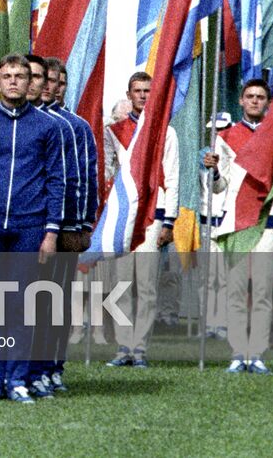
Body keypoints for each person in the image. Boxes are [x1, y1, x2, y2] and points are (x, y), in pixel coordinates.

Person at [0, 53, 64, 403]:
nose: (14, 81)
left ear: (31, 81)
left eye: (20, 75)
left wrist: (50, 232)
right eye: (7, 76)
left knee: (21, 305)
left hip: (30, 226)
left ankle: (18, 379)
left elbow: (56, 180)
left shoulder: (47, 127)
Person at [203, 78, 273, 375]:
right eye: (250, 96)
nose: (255, 101)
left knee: (263, 290)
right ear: (241, 101)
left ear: (268, 102)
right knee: (237, 289)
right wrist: (213, 170)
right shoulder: (225, 137)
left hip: (267, 221)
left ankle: (256, 353)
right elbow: (219, 188)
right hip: (236, 221)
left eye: (261, 97)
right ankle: (237, 351)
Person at [102, 72, 178, 369]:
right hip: (123, 216)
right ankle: (123, 346)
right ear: (129, 93)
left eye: (148, 90)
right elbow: (107, 172)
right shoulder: (114, 130)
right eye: (138, 90)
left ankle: (140, 347)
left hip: (151, 218)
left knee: (146, 286)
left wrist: (169, 220)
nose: (143, 95)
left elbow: (171, 177)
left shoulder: (165, 132)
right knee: (121, 284)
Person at [34, 58, 97, 395]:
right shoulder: (25, 120)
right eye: (46, 79)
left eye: (59, 82)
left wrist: (82, 224)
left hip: (66, 226)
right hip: (29, 224)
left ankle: (53, 366)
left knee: (55, 300)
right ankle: (26, 368)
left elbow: (84, 178)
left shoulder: (75, 126)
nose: (51, 86)